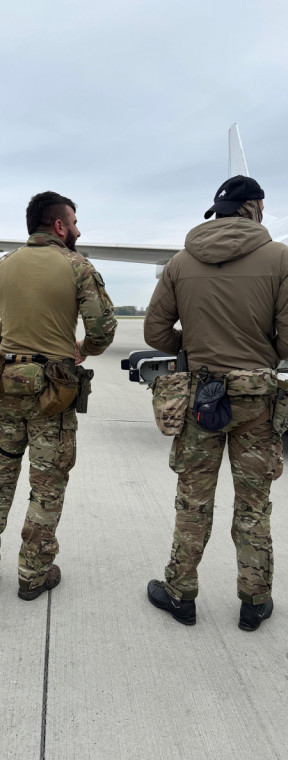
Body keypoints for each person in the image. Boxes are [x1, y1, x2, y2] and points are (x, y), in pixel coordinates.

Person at [144, 175, 288, 630]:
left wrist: (197, 345)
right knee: (252, 506)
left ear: (218, 211)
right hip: (256, 402)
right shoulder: (281, 258)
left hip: (200, 399)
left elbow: (155, 333)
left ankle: (179, 594)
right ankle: (254, 601)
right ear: (257, 206)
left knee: (193, 502)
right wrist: (258, 351)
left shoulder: (180, 262)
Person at [0, 191, 116, 599]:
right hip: (52, 392)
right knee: (47, 484)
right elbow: (102, 330)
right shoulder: (77, 265)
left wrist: (12, 348)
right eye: (74, 222)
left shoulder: (1, 265)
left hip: (4, 388)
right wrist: (79, 350)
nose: (78, 230)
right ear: (59, 226)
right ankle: (33, 574)